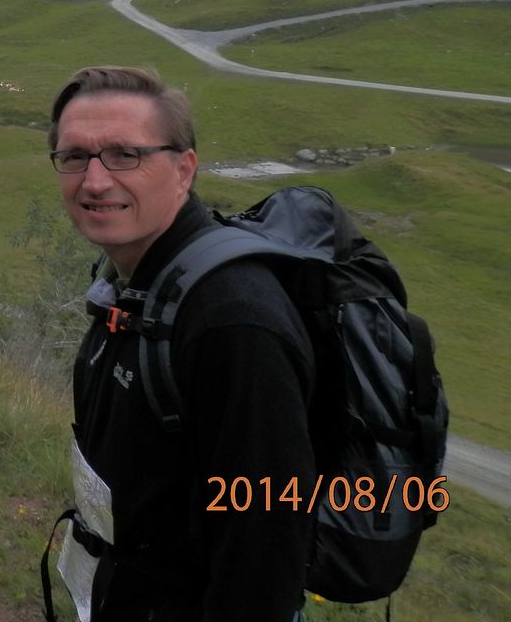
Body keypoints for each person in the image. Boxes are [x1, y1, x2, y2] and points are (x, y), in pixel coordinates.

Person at [47, 66, 313, 622]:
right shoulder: (136, 282)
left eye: (125, 154)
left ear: (184, 169)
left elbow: (264, 550)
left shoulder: (233, 321)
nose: (94, 181)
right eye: (75, 157)